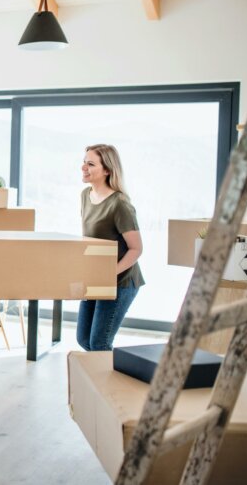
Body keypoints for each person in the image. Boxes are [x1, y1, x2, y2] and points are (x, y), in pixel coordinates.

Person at [77, 144, 144, 351]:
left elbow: (136, 249)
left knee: (99, 343)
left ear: (107, 170)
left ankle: (109, 383)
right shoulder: (85, 196)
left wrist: (108, 273)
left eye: (90, 164)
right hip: (96, 279)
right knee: (84, 340)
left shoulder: (120, 204)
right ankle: (100, 378)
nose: (83, 168)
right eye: (84, 162)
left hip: (121, 282)